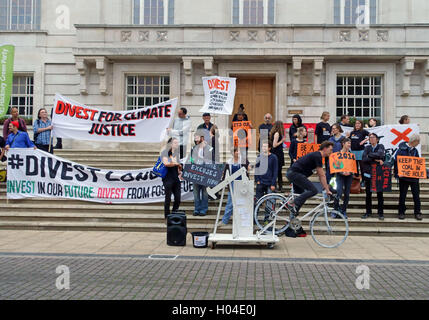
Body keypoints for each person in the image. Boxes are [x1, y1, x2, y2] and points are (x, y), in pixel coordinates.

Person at [285, 141, 334, 215]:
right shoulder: (318, 156)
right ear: (324, 148)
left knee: (301, 197)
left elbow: (320, 177)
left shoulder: (318, 157)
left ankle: (293, 223)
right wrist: (327, 190)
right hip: (295, 174)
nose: (331, 152)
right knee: (313, 190)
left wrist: (325, 188)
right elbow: (322, 175)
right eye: (330, 150)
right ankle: (290, 203)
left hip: (294, 174)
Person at [217, 147, 250, 228]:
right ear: (233, 153)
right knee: (230, 203)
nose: (238, 152)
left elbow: (248, 169)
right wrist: (225, 183)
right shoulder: (229, 162)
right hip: (232, 184)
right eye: (237, 151)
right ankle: (225, 221)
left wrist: (249, 168)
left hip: (242, 184)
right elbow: (225, 174)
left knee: (243, 202)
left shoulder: (243, 160)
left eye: (239, 151)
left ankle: (243, 221)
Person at [394, 134, 423, 221]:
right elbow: (396, 161)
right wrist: (398, 173)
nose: (418, 143)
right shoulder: (401, 149)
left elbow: (417, 163)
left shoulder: (415, 151)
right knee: (402, 195)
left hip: (414, 177)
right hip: (404, 177)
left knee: (416, 195)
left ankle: (417, 212)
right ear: (414, 141)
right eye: (418, 142)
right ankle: (401, 212)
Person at [361, 133, 385, 220]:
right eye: (370, 138)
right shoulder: (367, 147)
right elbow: (364, 159)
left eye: (373, 137)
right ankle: (368, 212)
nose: (371, 139)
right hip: (368, 174)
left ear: (377, 139)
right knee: (368, 194)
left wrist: (370, 156)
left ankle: (380, 213)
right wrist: (376, 159)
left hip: (378, 173)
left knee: (379, 194)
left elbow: (381, 155)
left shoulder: (381, 146)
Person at [190, 130, 213, 216]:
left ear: (202, 138)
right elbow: (191, 160)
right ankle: (197, 209)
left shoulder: (209, 148)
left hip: (205, 173)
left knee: (204, 193)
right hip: (195, 173)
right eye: (195, 138)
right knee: (196, 193)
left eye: (197, 137)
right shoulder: (193, 148)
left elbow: (211, 161)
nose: (196, 139)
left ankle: (203, 209)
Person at [161, 137, 182, 218]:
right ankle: (167, 215)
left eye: (177, 143)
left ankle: (173, 213)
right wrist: (176, 163)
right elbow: (166, 163)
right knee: (168, 198)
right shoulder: (165, 152)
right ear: (171, 144)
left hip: (175, 178)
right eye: (175, 143)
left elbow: (177, 167)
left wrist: (179, 169)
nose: (177, 144)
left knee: (178, 198)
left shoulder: (176, 154)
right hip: (167, 178)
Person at [333, 138, 354, 219]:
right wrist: (342, 172)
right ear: (343, 144)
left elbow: (353, 166)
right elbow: (336, 166)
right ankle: (335, 210)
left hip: (349, 176)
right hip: (340, 175)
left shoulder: (351, 154)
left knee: (347, 194)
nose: (349, 145)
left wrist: (350, 172)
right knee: (338, 192)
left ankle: (343, 210)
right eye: (348, 143)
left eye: (350, 143)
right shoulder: (338, 154)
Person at [270, 121, 286, 191]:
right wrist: (282, 141)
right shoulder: (277, 133)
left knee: (279, 171)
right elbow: (274, 145)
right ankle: (276, 186)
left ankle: (280, 186)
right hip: (277, 154)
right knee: (277, 170)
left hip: (278, 153)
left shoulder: (276, 133)